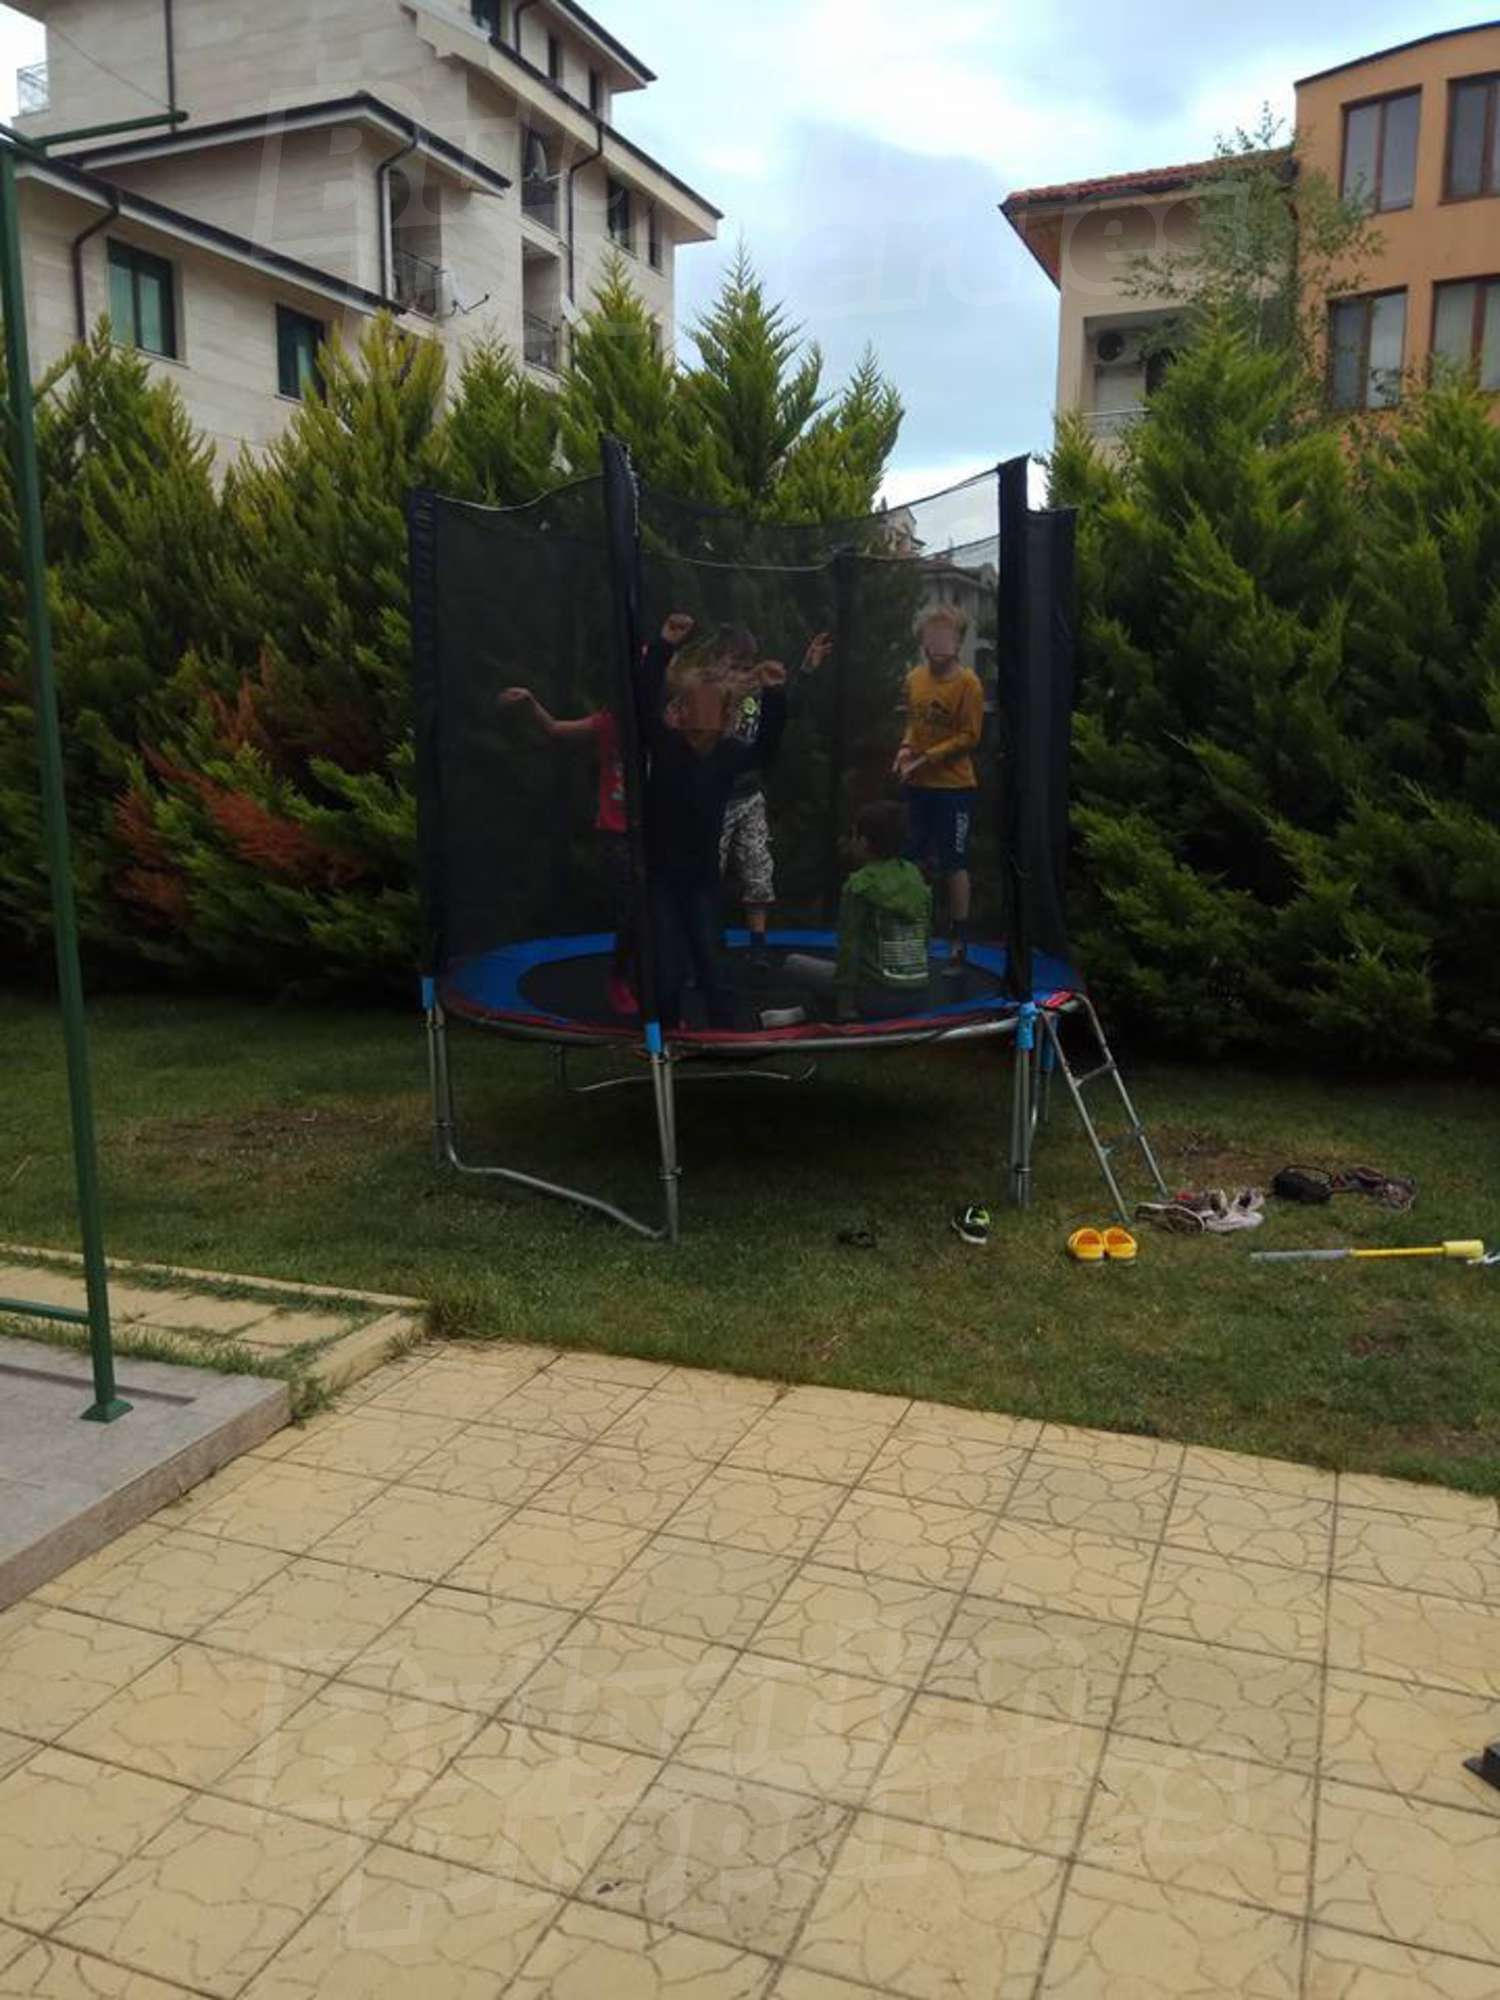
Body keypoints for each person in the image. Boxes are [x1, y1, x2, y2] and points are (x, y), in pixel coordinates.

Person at [640, 636, 790, 1030]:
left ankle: (723, 1032)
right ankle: (669, 1033)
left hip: (702, 878)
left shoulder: (729, 754)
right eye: (694, 703)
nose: (701, 711)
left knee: (711, 962)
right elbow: (643, 706)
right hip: (661, 877)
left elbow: (766, 749)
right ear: (682, 710)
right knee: (667, 967)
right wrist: (663, 647)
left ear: (725, 715)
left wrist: (774, 696)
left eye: (711, 704)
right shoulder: (667, 746)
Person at [498, 684, 636, 1016]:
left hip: (651, 831)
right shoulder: (608, 723)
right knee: (633, 911)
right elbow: (556, 729)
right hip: (615, 832)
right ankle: (619, 979)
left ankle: (659, 978)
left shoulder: (662, 724)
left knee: (657, 910)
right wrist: (530, 702)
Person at [712, 623, 833, 972]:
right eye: (734, 665)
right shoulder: (708, 695)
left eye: (746, 666)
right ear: (717, 663)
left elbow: (787, 705)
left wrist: (806, 669)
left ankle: (758, 946)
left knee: (758, 868)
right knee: (708, 872)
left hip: (749, 795)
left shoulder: (755, 696)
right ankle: (706, 942)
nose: (741, 673)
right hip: (714, 798)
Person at [780, 799, 932, 1023]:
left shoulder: (860, 886)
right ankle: (807, 1012)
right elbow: (925, 935)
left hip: (877, 998)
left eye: (853, 836)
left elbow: (848, 948)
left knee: (794, 964)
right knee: (843, 973)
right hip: (918, 996)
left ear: (864, 842)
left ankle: (812, 1012)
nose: (849, 842)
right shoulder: (914, 876)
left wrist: (846, 1008)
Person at [893, 605, 984, 969]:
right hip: (918, 786)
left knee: (954, 862)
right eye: (933, 638)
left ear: (958, 643)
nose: (939, 645)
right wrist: (904, 750)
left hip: (954, 788)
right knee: (912, 859)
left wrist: (926, 758)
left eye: (947, 638)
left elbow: (970, 736)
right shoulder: (914, 679)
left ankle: (958, 939)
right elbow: (912, 724)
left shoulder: (968, 684)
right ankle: (913, 932)